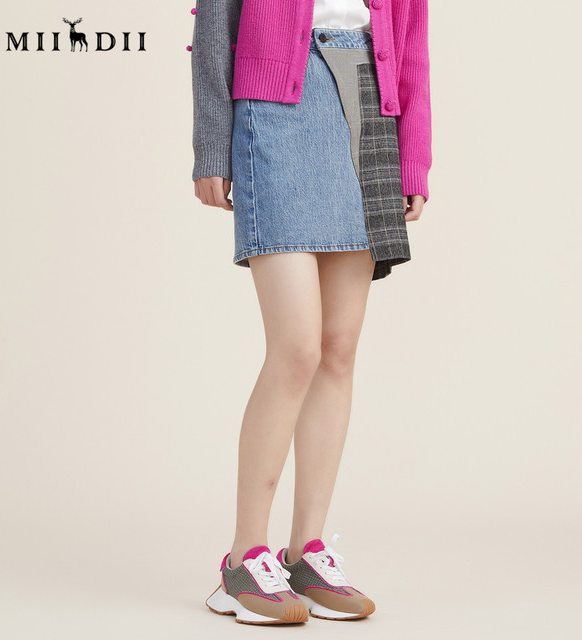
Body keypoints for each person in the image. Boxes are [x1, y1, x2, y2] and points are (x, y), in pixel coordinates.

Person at [189, 0, 431, 625]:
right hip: (275, 108)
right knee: (297, 348)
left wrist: (414, 156)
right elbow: (215, 27)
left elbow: (411, 41)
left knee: (338, 349)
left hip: (370, 103)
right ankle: (244, 558)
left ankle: (306, 552)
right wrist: (211, 144)